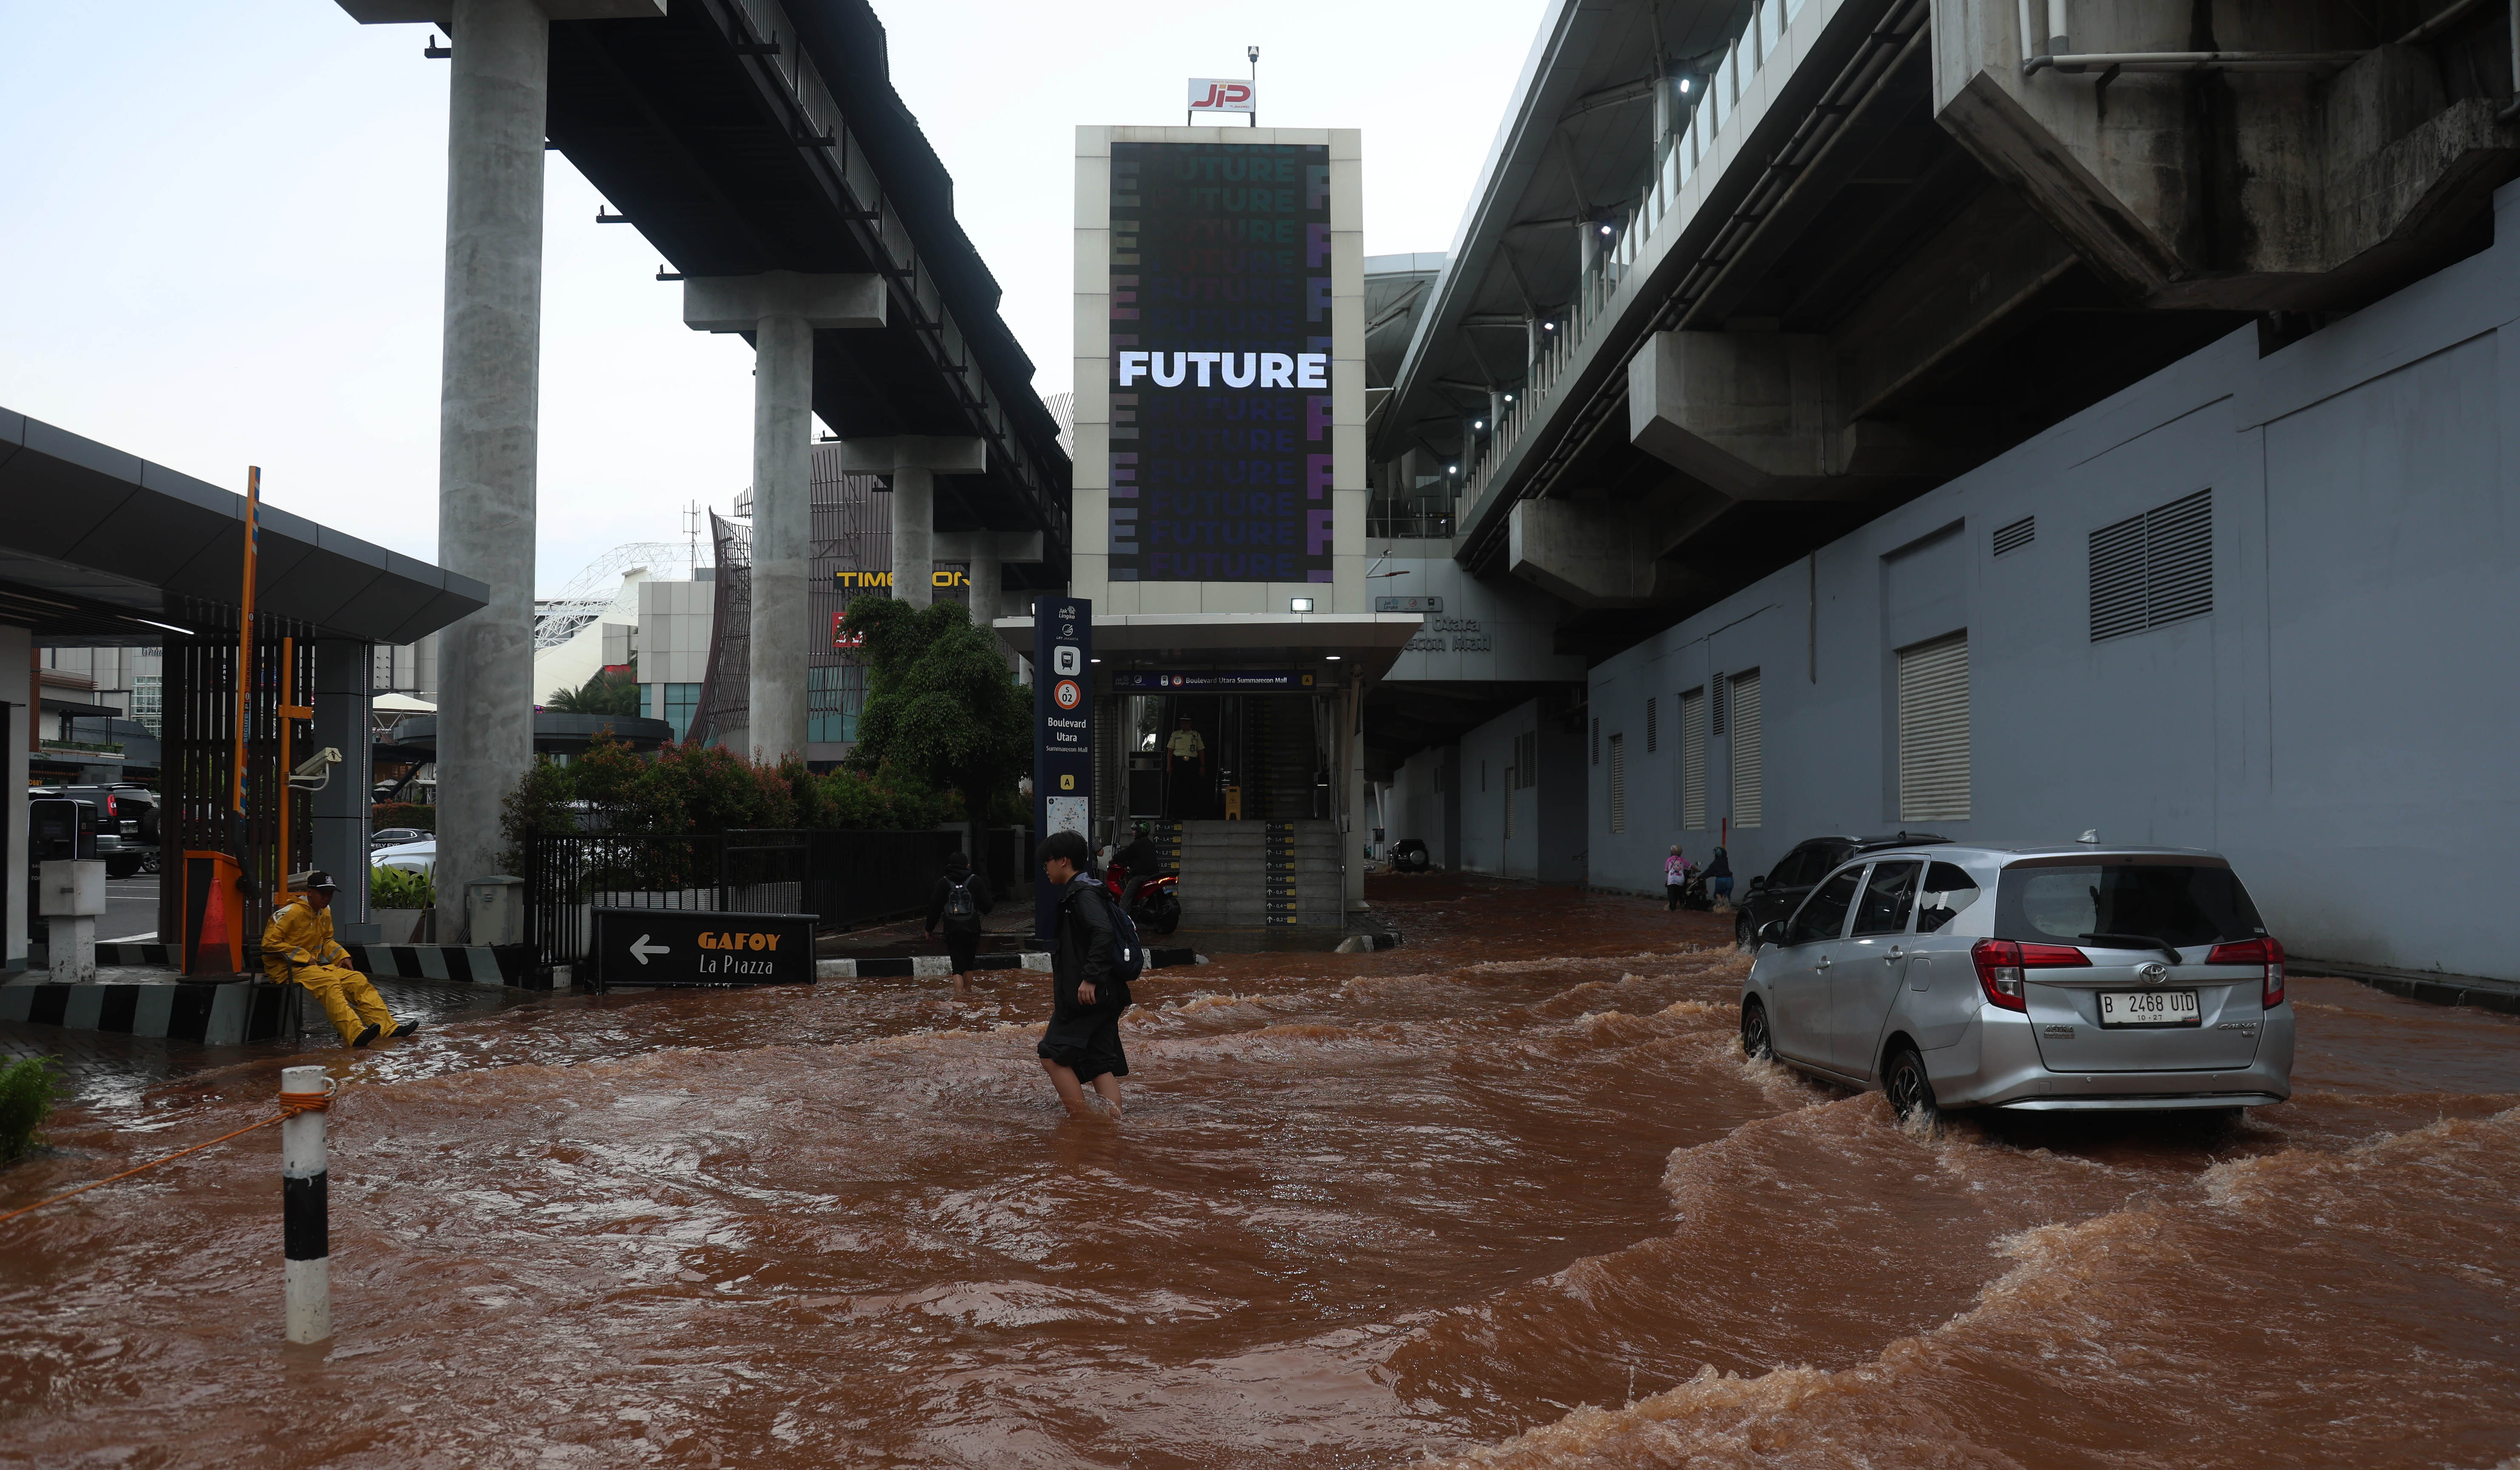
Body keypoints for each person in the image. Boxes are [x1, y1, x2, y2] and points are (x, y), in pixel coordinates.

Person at [261, 870, 417, 1048]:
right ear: (310, 892)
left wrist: (342, 956)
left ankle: (389, 1029)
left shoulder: (324, 912)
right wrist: (304, 958)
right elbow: (269, 943)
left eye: (330, 894)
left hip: (312, 968)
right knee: (329, 982)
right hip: (285, 970)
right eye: (323, 893)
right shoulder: (290, 913)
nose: (327, 898)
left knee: (357, 980)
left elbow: (327, 940)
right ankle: (355, 1033)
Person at [1034, 829, 1130, 1121]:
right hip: (1106, 993)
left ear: (1063, 861)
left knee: (1051, 1054)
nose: (1045, 868)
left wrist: (1089, 978)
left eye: (1047, 861)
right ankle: (1111, 1127)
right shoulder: (1090, 889)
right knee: (1100, 1063)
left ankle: (1082, 1125)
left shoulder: (1082, 893)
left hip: (1088, 994)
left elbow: (1102, 932)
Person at [924, 850, 994, 997]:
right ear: (967, 865)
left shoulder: (943, 883)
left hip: (952, 929)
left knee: (957, 965)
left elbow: (934, 908)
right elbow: (988, 906)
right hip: (972, 928)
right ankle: (967, 996)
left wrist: (929, 929)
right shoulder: (975, 881)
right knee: (969, 963)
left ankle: (959, 997)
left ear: (950, 866)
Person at [1111, 821, 1162, 909]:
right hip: (1154, 876)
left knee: (1125, 898)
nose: (1133, 833)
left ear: (1140, 831)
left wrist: (1114, 858)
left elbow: (1125, 854)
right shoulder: (1150, 844)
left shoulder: (1136, 844)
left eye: (1135, 830)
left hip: (1140, 877)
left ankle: (1123, 920)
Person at [1164, 717, 1207, 818]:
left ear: (1190, 724)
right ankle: (1175, 814)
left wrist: (1203, 766)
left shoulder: (1196, 735)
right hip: (1179, 763)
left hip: (1192, 764)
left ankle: (1192, 814)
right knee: (1177, 788)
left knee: (1192, 788)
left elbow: (1201, 751)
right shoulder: (1175, 735)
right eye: (1182, 723)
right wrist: (1169, 765)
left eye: (1186, 723)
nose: (1184, 725)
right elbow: (1170, 751)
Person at [1706, 846, 1735, 912]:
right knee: (1727, 895)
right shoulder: (1726, 861)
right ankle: (1727, 908)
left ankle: (1721, 905)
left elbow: (1708, 872)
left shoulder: (1715, 863)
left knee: (1718, 894)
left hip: (1721, 880)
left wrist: (1700, 877)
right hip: (1730, 880)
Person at [1665, 845, 1694, 911]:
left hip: (1671, 880)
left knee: (1671, 896)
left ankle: (1672, 907)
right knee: (1681, 894)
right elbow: (1691, 866)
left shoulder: (1669, 860)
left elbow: (1667, 870)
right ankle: (1683, 905)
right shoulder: (1683, 860)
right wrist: (1698, 870)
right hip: (1680, 880)